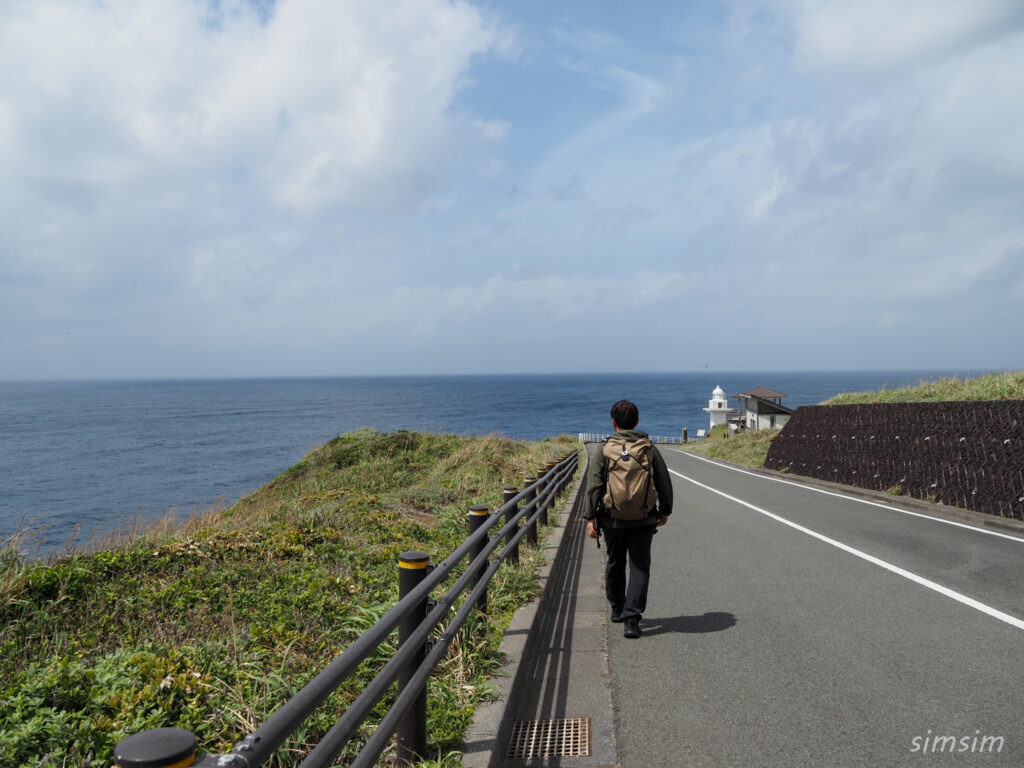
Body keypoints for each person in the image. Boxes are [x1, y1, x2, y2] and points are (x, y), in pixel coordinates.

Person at [584, 399, 673, 639]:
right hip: (644, 518)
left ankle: (616, 608)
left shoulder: (604, 450)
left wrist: (590, 516)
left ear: (613, 423)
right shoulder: (648, 448)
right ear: (637, 421)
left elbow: (594, 485)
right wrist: (665, 510)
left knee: (615, 561)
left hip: (613, 519)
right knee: (639, 567)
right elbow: (664, 482)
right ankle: (632, 620)